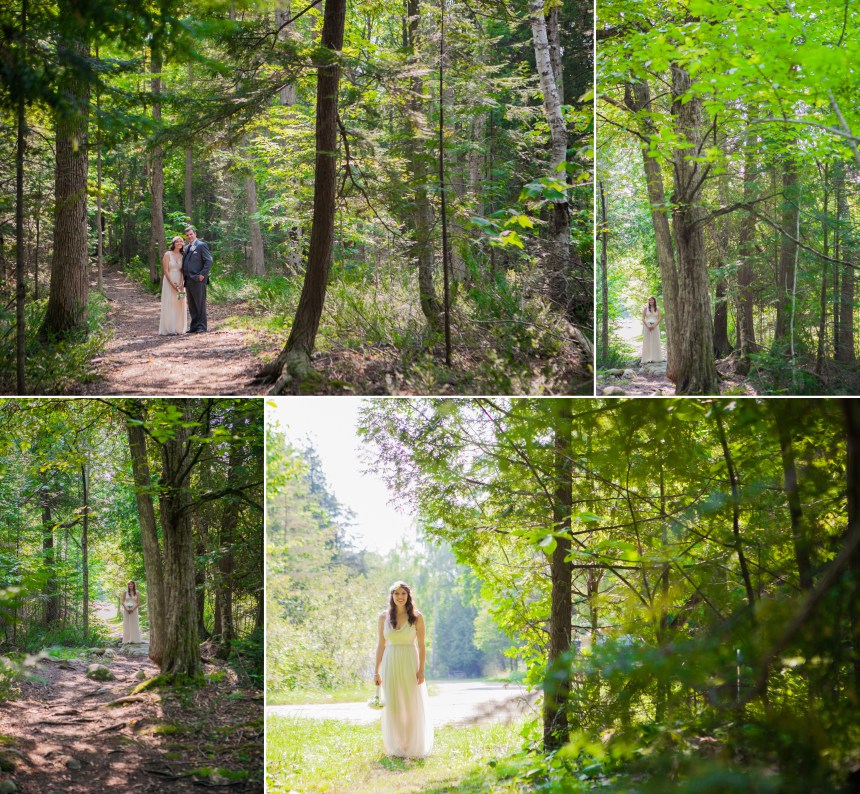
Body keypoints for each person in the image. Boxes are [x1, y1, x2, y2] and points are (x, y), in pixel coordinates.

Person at [374, 581, 433, 758]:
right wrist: (376, 671)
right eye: (396, 594)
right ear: (391, 597)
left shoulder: (416, 617)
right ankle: (397, 746)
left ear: (408, 596)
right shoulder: (383, 617)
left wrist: (421, 670)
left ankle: (412, 745)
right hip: (390, 661)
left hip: (409, 660)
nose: (400, 597)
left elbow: (422, 646)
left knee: (410, 703)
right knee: (393, 704)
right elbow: (380, 645)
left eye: (403, 594)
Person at [181, 225, 213, 333]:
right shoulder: (187, 248)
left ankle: (201, 326)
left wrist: (202, 274)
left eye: (191, 234)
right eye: (187, 235)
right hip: (188, 280)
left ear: (195, 234)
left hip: (198, 279)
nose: (189, 236)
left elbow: (209, 261)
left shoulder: (201, 245)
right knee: (192, 305)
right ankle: (194, 326)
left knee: (200, 304)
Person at [158, 236, 188, 335]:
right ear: (173, 243)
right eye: (177, 241)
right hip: (169, 280)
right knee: (169, 302)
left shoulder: (184, 255)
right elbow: (165, 270)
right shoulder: (168, 254)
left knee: (180, 303)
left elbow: (184, 270)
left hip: (180, 281)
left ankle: (179, 328)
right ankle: (169, 329)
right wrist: (172, 284)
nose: (179, 243)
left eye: (181, 241)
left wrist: (182, 283)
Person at [641, 296, 662, 363]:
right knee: (647, 341)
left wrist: (654, 325)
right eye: (649, 300)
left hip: (655, 326)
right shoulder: (645, 308)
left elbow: (659, 318)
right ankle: (647, 358)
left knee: (655, 341)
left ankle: (655, 358)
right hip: (647, 327)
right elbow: (643, 318)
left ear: (654, 301)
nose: (651, 302)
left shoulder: (658, 308)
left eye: (652, 300)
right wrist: (648, 325)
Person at [122, 580, 141, 644]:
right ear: (128, 585)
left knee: (134, 623)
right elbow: (123, 602)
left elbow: (138, 603)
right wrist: (127, 609)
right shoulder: (125, 592)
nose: (130, 585)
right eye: (129, 584)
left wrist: (133, 609)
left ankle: (135, 639)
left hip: (134, 610)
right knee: (127, 623)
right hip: (126, 610)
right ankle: (127, 639)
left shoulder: (137, 592)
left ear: (134, 585)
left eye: (131, 584)